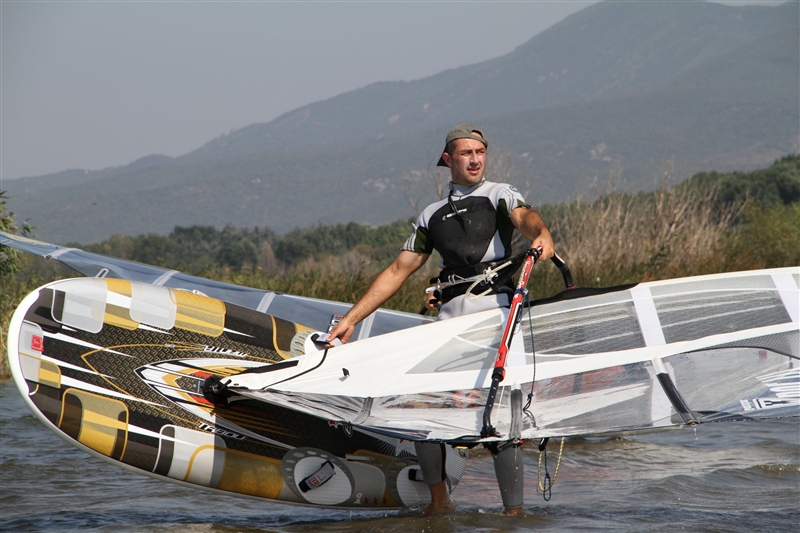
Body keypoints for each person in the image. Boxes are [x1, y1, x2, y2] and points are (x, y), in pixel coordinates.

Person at [326, 124, 554, 515]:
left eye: (480, 152)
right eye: (466, 153)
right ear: (448, 159)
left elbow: (525, 216)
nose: (475, 160)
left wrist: (542, 234)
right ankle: (439, 504)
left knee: (501, 423)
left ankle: (513, 516)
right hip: (448, 326)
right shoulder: (431, 215)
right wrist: (351, 319)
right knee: (422, 411)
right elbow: (398, 270)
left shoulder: (499, 194)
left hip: (496, 320)